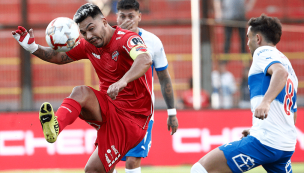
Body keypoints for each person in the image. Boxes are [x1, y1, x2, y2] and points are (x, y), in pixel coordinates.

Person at [12, 3, 155, 173]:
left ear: (103, 21)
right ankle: (55, 125)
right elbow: (59, 57)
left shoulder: (126, 38)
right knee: (81, 92)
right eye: (83, 32)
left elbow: (145, 59)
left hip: (132, 119)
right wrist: (32, 47)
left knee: (95, 169)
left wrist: (122, 81)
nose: (88, 36)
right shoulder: (89, 45)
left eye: (91, 28)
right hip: (109, 108)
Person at [191, 14, 298, 173]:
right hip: (285, 145)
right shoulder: (289, 65)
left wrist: (266, 102)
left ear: (258, 38)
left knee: (200, 169)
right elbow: (292, 112)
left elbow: (279, 73)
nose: (247, 43)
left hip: (266, 141)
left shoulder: (263, 53)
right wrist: (259, 126)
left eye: (248, 38)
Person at [115, 0, 179, 172]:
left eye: (131, 16)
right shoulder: (108, 39)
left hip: (141, 112)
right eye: (122, 16)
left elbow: (164, 78)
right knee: (107, 159)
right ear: (116, 17)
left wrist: (171, 112)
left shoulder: (152, 41)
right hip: (113, 108)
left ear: (139, 17)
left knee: (133, 161)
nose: (126, 20)